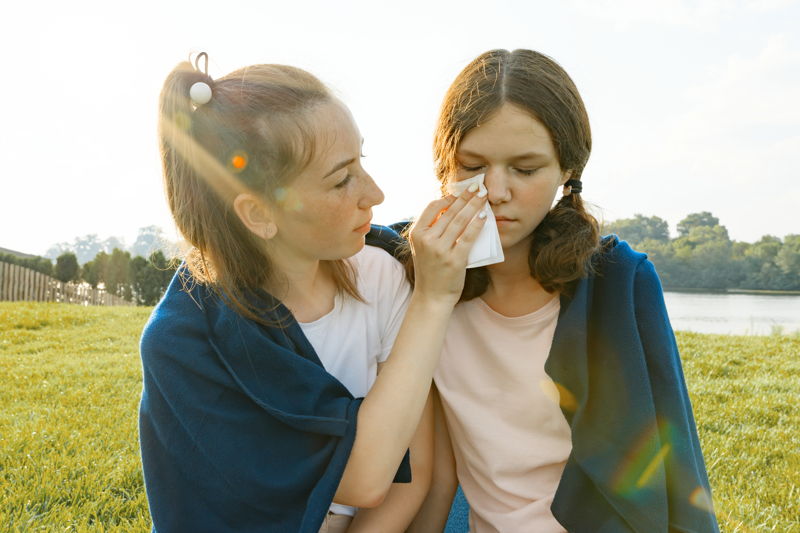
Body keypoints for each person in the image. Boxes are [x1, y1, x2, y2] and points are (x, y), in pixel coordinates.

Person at [138, 53, 487, 533]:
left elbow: (412, 475)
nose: (375, 193)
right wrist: (434, 298)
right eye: (342, 179)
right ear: (258, 214)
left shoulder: (380, 275)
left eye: (361, 161)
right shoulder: (183, 341)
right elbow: (362, 478)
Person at [405, 49, 720, 532]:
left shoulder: (618, 281)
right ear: (443, 164)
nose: (495, 190)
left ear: (568, 170)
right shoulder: (409, 269)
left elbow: (674, 469)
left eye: (525, 169)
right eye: (471, 165)